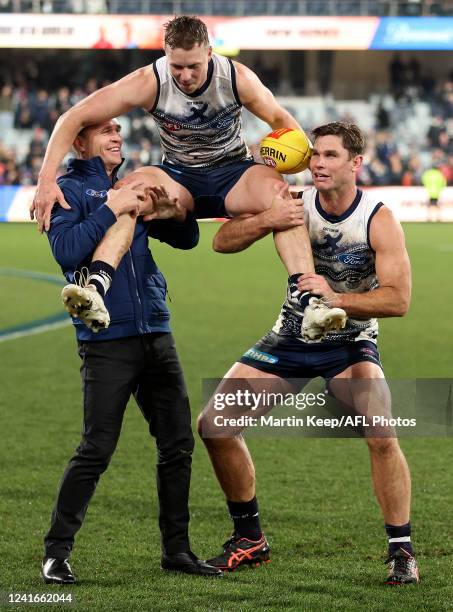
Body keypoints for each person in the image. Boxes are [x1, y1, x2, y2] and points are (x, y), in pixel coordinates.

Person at [197, 123, 420, 585]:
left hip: (350, 341)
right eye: (315, 154)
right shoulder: (292, 203)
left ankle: (401, 551)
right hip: (292, 337)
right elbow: (220, 241)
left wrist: (335, 299)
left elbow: (398, 300)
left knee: (381, 433)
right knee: (214, 426)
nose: (318, 162)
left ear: (355, 163)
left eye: (331, 156)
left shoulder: (377, 218)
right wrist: (266, 220)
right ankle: (250, 539)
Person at [31, 15, 346, 341]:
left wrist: (307, 160)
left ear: (209, 52)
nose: (184, 75)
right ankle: (96, 288)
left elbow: (280, 119)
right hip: (178, 177)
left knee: (283, 197)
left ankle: (311, 303)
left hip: (233, 172)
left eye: (192, 66)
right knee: (129, 190)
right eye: (176, 66)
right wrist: (46, 179)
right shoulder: (148, 82)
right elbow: (74, 116)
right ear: (166, 55)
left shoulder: (237, 78)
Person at [41, 117, 222, 584]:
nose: (116, 136)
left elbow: (188, 240)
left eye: (118, 128)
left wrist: (175, 213)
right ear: (79, 142)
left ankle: (176, 551)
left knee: (177, 443)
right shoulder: (67, 190)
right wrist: (112, 208)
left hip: (155, 331)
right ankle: (56, 553)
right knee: (96, 447)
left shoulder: (133, 183)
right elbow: (66, 251)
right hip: (106, 339)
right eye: (104, 130)